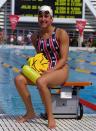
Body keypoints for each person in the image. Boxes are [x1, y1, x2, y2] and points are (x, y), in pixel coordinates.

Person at [14, 5, 69, 129]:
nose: (43, 19)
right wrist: (33, 66)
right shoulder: (35, 37)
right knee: (18, 79)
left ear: (51, 19)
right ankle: (30, 112)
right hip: (44, 70)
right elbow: (40, 57)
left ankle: (50, 116)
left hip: (60, 70)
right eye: (40, 16)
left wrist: (51, 71)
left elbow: (64, 58)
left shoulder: (61, 33)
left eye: (46, 16)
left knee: (41, 81)